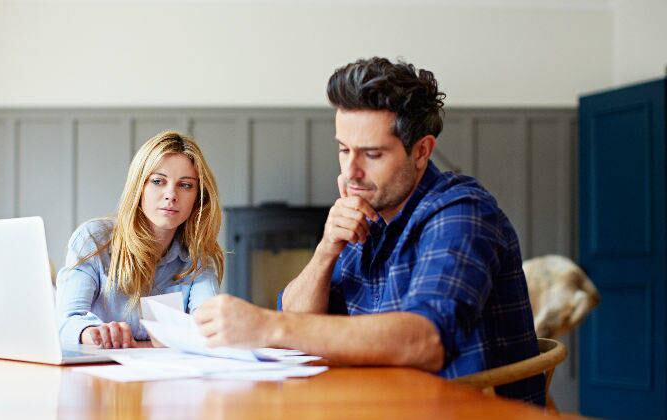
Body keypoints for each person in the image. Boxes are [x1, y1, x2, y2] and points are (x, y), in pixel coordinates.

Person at [193, 57, 544, 405]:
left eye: (372, 154)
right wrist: (327, 249)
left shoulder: (462, 212)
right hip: (379, 403)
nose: (351, 171)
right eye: (344, 149)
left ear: (421, 151)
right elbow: (298, 317)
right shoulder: (368, 210)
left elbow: (425, 340)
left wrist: (267, 326)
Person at [57, 131, 224, 349]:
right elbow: (67, 322)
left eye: (185, 185)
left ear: (198, 197)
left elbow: (209, 327)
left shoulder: (197, 255)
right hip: (102, 365)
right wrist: (94, 333)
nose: (171, 195)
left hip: (165, 368)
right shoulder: (93, 239)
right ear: (139, 186)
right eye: (158, 181)